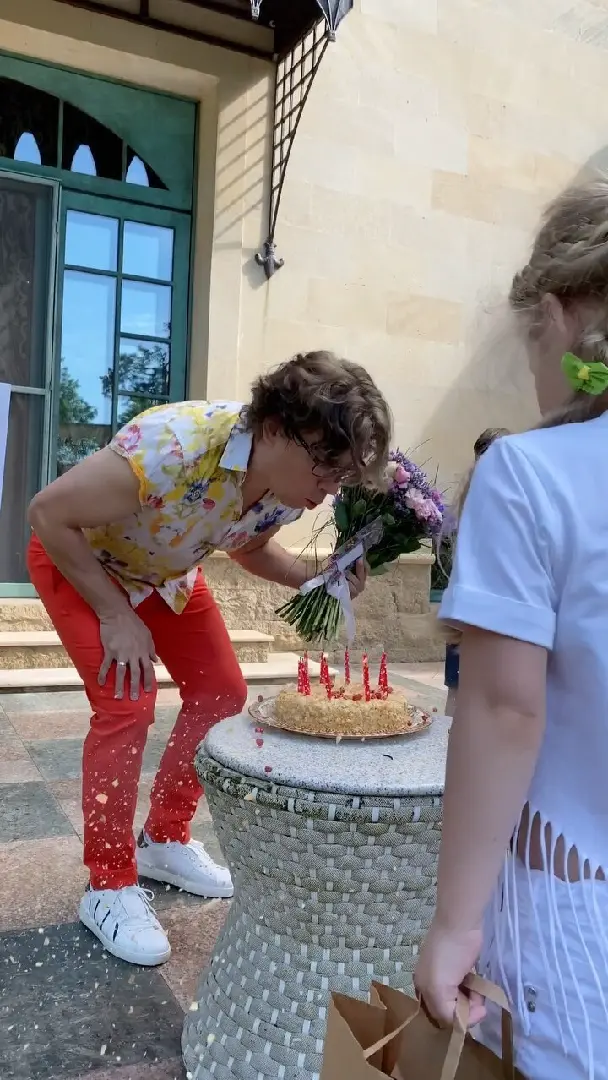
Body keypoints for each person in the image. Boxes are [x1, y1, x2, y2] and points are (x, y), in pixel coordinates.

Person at [28, 351, 391, 967]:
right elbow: (47, 513)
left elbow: (249, 549)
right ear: (276, 427)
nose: (333, 488)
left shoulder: (288, 489)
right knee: (127, 702)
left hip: (165, 575)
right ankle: (108, 883)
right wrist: (115, 615)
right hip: (84, 561)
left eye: (344, 474)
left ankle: (164, 839)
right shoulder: (175, 446)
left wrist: (319, 576)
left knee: (222, 691)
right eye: (328, 466)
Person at [414, 176, 608, 1080]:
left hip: (568, 903)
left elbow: (504, 710)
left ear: (560, 317)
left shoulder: (531, 471)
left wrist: (455, 924)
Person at [443, 429, 510, 718]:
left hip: (485, 606)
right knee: (459, 687)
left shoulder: (508, 500)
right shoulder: (473, 500)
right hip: (472, 604)